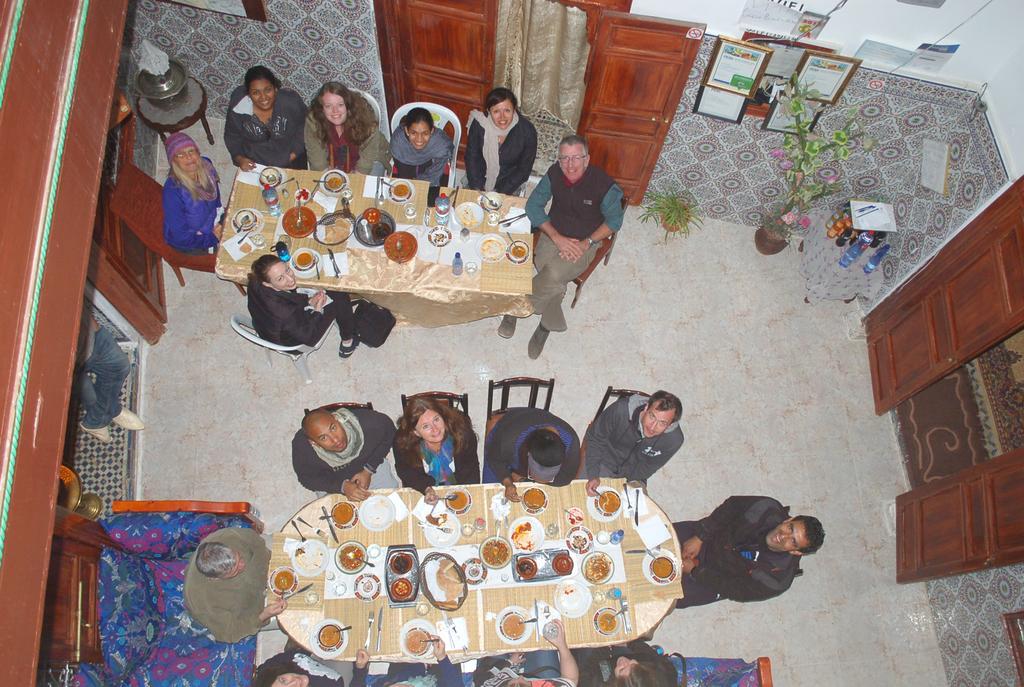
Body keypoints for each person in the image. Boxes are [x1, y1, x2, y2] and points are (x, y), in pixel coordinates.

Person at [497, 134, 624, 359]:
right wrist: (556, 237)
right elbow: (534, 205)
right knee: (544, 266)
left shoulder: (603, 185)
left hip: (584, 242)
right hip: (555, 234)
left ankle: (516, 307)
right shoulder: (555, 173)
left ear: (587, 159)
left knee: (554, 272)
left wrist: (588, 242)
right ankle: (549, 321)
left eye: (576, 158)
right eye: (564, 158)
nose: (570, 164)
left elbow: (614, 222)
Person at [672, 495, 825, 608]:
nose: (783, 536)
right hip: (708, 538)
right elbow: (731, 506)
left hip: (714, 578)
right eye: (790, 528)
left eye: (793, 541)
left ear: (797, 552)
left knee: (665, 597)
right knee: (652, 536)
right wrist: (700, 536)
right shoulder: (766, 508)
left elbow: (735, 590)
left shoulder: (777, 581)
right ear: (789, 520)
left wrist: (695, 571)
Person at [182, 527, 285, 643]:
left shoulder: (229, 536)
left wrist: (269, 564)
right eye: (236, 570)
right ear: (215, 578)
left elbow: (257, 542)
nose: (243, 564)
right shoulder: (202, 602)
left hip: (265, 569)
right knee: (292, 616)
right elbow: (230, 633)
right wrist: (264, 615)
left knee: (293, 545)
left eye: (239, 557)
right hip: (257, 610)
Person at [246, 254, 359, 358]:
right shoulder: (285, 313)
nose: (290, 279)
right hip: (296, 342)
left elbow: (289, 301)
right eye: (280, 278)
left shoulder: (254, 281)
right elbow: (307, 335)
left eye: (287, 270)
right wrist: (317, 310)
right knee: (340, 296)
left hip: (267, 326)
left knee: (318, 291)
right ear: (267, 284)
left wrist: (309, 301)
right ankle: (348, 341)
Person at [583, 391, 684, 497]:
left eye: (662, 423)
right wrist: (593, 474)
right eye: (652, 416)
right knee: (582, 497)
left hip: (634, 476)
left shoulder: (673, 440)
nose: (653, 427)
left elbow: (648, 467)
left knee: (637, 511)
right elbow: (595, 439)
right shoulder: (621, 410)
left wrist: (624, 484)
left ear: (670, 424)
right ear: (646, 408)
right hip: (601, 461)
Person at [292, 405, 399, 499]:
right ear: (313, 443)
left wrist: (368, 470)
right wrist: (343, 486)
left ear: (336, 418)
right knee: (333, 519)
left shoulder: (368, 423)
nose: (335, 440)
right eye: (323, 438)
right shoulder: (302, 447)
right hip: (333, 482)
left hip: (372, 467)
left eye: (333, 428)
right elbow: (307, 478)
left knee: (392, 501)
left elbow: (390, 432)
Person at [75, 312, 144, 444]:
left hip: (89, 335)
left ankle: (107, 411)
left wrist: (94, 326)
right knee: (84, 385)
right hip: (64, 361)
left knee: (119, 366)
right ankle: (101, 418)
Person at [393, 397, 480, 503]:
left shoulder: (463, 434)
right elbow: (406, 471)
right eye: (426, 426)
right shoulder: (402, 442)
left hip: (459, 485)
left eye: (436, 419)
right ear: (416, 432)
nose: (435, 430)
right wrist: (426, 488)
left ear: (443, 417)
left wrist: (464, 495)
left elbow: (470, 469)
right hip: (422, 487)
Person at [482, 407, 580, 500]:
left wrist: (523, 479)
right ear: (528, 454)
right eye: (531, 475)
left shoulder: (571, 444)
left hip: (519, 467)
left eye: (550, 478)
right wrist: (508, 481)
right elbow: (493, 459)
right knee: (490, 495)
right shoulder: (509, 441)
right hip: (510, 425)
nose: (535, 481)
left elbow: (565, 478)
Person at [225, 65, 307, 170]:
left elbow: (305, 126)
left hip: (290, 159)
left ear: (275, 88)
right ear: (248, 94)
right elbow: (232, 137)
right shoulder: (238, 109)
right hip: (256, 165)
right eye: (255, 93)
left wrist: (293, 155)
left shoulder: (291, 102)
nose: (263, 97)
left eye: (268, 90)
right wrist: (240, 159)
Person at [305, 82, 389, 175]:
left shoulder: (365, 121)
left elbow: (366, 163)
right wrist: (329, 177)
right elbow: (318, 162)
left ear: (348, 105)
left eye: (340, 105)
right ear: (322, 108)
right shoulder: (314, 122)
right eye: (328, 106)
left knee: (367, 186)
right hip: (332, 160)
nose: (335, 111)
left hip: (371, 158)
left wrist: (355, 179)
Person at [465, 87, 537, 195]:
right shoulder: (479, 125)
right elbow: (472, 158)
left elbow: (523, 170)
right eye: (496, 111)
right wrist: (477, 188)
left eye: (507, 110)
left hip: (509, 183)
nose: (502, 117)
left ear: (514, 109)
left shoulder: (527, 131)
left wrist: (499, 192)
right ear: (489, 111)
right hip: (479, 177)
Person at [161, 132, 223, 254]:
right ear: (173, 161)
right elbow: (181, 237)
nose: (188, 157)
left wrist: (219, 216)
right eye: (180, 154)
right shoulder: (173, 192)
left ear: (198, 152)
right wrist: (212, 238)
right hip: (193, 240)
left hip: (211, 220)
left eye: (191, 151)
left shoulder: (207, 165)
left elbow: (216, 196)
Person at [472, 620, 578, 686]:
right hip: (539, 679)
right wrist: (562, 645)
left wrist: (509, 662)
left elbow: (482, 677)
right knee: (546, 635)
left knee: (489, 634)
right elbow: (571, 679)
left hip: (495, 673)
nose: (520, 678)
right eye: (523, 685)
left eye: (513, 686)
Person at [572, 640, 679, 687]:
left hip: (594, 673)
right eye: (633, 664)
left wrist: (602, 646)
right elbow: (651, 655)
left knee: (585, 646)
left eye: (622, 669)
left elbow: (583, 671)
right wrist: (628, 643)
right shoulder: (663, 674)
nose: (624, 661)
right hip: (622, 657)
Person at [389, 107, 454, 185]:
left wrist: (422, 181)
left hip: (430, 164)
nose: (419, 140)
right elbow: (402, 172)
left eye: (425, 133)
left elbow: (438, 167)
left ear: (432, 131)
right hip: (405, 166)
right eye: (413, 133)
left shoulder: (440, 142)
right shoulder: (398, 141)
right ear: (406, 131)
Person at [351, 643, 462, 687]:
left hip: (402, 662)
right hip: (442, 665)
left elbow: (356, 684)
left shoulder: (389, 682)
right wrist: (442, 658)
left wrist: (360, 667)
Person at [253, 649, 346, 687]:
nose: (295, 682)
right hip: (342, 669)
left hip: (314, 652)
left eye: (283, 681)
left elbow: (294, 652)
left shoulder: (270, 668)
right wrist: (360, 669)